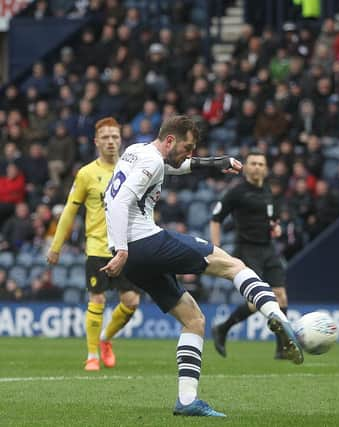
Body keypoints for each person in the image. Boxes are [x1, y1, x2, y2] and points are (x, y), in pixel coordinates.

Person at [101, 115, 303, 418]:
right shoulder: (152, 162)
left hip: (135, 259)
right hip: (141, 242)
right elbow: (118, 203)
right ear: (171, 140)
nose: (190, 153)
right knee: (232, 265)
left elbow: (174, 166)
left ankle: (186, 400)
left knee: (193, 320)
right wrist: (121, 249)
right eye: (188, 147)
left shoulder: (138, 151)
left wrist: (213, 162)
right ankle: (276, 316)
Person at [47, 117, 141, 371]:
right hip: (98, 248)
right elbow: (69, 211)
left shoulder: (133, 170)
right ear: (96, 141)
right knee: (97, 299)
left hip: (126, 247)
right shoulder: (87, 173)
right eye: (106, 137)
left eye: (115, 136)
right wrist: (56, 246)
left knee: (132, 302)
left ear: (121, 139)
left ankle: (105, 340)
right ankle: (91, 356)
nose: (111, 141)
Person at [210, 151, 291, 359]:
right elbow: (216, 217)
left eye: (261, 164)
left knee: (280, 295)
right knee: (258, 300)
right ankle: (223, 328)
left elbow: (272, 220)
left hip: (268, 248)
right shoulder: (237, 192)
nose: (257, 167)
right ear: (245, 167)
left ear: (265, 168)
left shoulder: (267, 190)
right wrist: (216, 248)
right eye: (253, 163)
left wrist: (277, 228)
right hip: (247, 249)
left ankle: (282, 347)